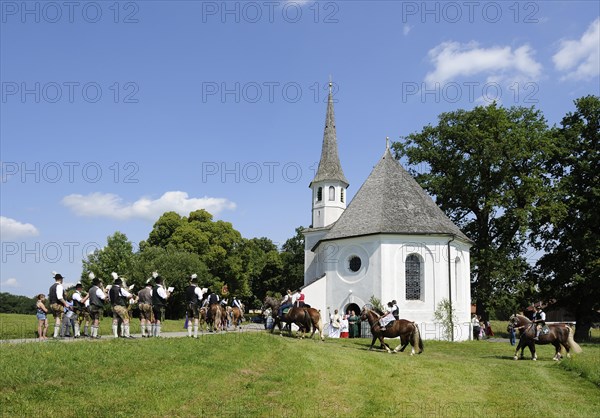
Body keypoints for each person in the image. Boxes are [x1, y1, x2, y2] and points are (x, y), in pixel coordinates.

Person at [109, 273, 136, 338]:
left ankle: (116, 335)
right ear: (120, 284)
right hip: (120, 306)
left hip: (113, 306)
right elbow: (129, 295)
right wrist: (132, 295)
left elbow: (109, 298)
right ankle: (127, 335)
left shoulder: (110, 289)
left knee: (116, 320)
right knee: (126, 319)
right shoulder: (120, 289)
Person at [48, 272, 70, 338]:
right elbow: (60, 297)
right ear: (60, 279)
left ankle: (55, 334)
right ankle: (55, 335)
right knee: (59, 319)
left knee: (57, 318)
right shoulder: (59, 286)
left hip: (52, 304)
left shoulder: (51, 287)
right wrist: (65, 304)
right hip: (58, 304)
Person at [87, 274, 107, 339]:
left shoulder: (90, 289)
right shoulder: (98, 290)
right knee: (96, 320)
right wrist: (106, 294)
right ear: (98, 283)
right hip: (96, 307)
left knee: (93, 320)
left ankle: (92, 334)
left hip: (90, 306)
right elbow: (103, 297)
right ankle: (95, 335)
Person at [185, 274, 204, 338]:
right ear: (196, 282)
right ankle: (195, 335)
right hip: (194, 304)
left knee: (190, 319)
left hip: (188, 304)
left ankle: (189, 334)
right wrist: (202, 292)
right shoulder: (197, 288)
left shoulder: (187, 288)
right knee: (196, 318)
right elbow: (200, 298)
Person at [152, 273, 169, 337]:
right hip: (159, 305)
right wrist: (168, 294)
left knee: (155, 319)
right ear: (161, 282)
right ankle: (157, 334)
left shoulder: (154, 288)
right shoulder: (160, 288)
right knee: (158, 319)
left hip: (154, 305)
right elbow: (165, 297)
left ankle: (154, 333)